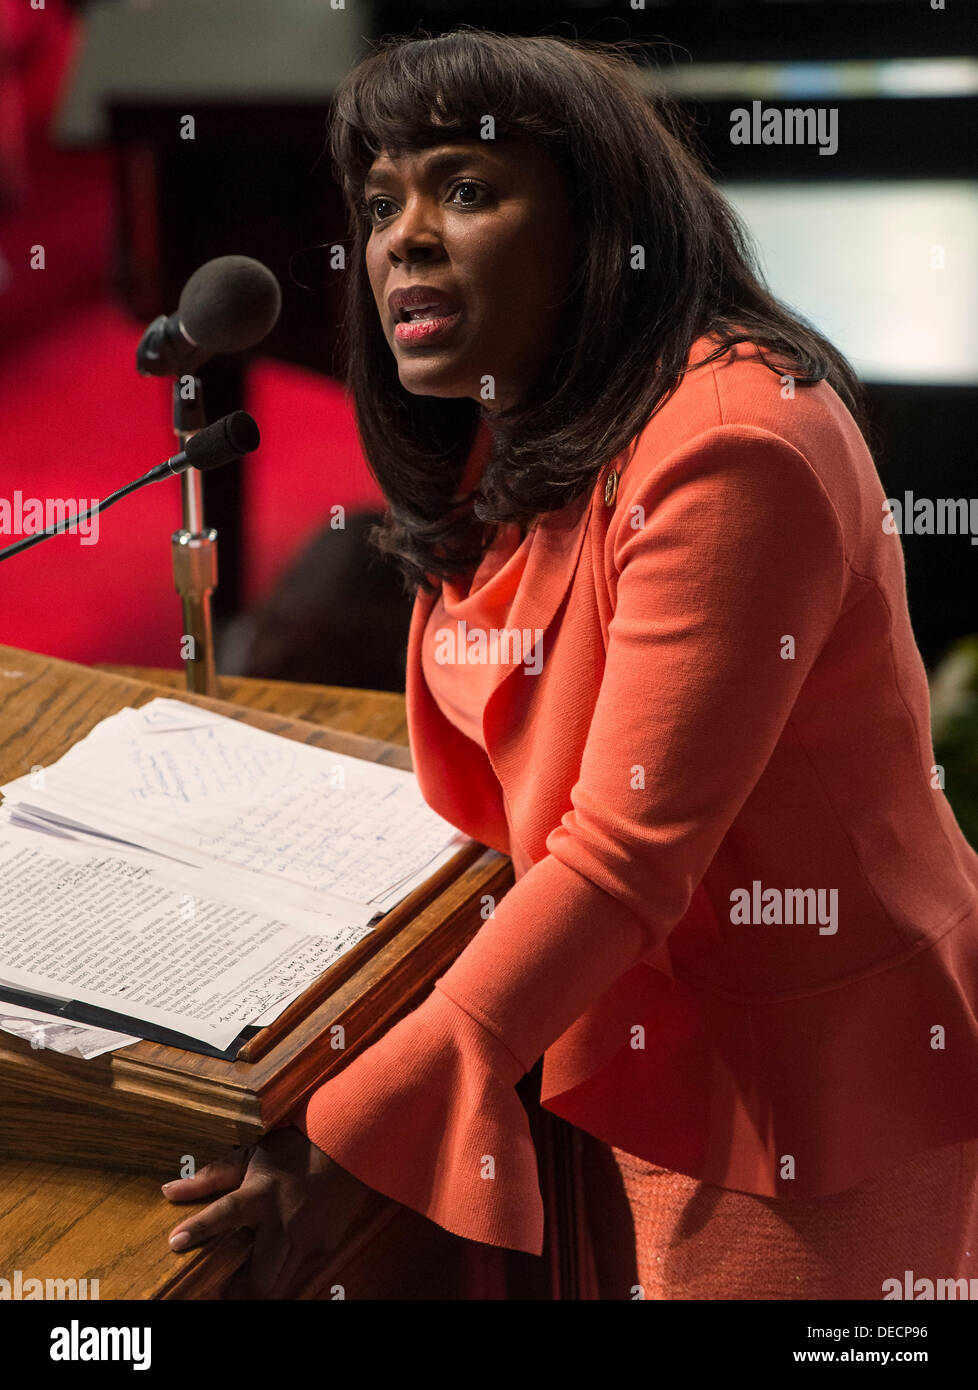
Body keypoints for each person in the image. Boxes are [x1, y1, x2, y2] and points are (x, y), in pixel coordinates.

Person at [162, 29, 978, 1300]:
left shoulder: (734, 445)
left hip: (789, 1087)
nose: (402, 238)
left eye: (467, 189)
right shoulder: (522, 424)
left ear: (601, 225)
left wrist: (347, 1145)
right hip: (601, 1024)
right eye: (382, 204)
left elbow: (620, 855)